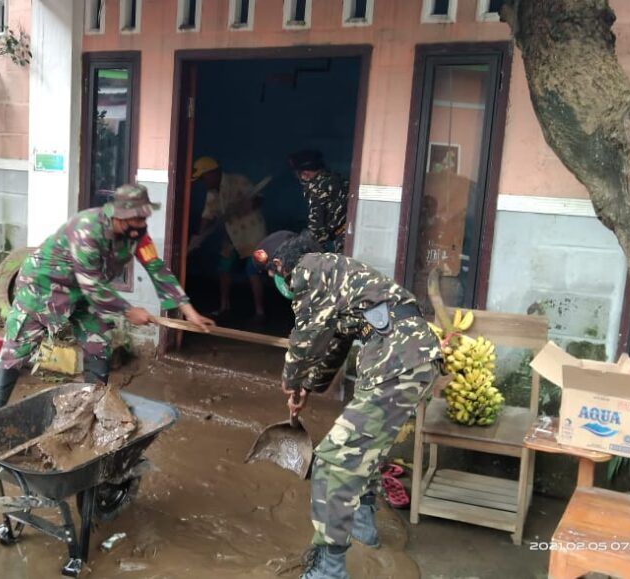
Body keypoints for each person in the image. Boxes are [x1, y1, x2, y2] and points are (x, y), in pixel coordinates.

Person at [252, 230, 442, 579]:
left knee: (331, 461)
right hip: (406, 360)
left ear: (280, 264)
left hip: (397, 363)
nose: (278, 283)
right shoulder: (335, 274)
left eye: (272, 275)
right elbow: (335, 342)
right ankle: (362, 525)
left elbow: (306, 336)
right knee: (360, 450)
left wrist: (290, 380)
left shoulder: (307, 270)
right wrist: (309, 386)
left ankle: (329, 566)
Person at [0, 183, 214, 411]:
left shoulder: (137, 236)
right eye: (137, 219)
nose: (142, 225)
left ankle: (92, 406)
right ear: (120, 216)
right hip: (45, 286)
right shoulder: (87, 228)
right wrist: (129, 311)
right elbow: (93, 287)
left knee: (99, 339)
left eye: (144, 218)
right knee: (18, 348)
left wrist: (189, 312)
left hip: (85, 291)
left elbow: (157, 268)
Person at [189, 156, 269, 322]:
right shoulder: (212, 193)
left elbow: (259, 199)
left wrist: (245, 206)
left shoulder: (237, 181)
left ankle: (260, 312)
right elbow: (207, 215)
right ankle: (224, 307)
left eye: (203, 178)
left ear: (211, 173)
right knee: (224, 268)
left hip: (251, 234)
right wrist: (198, 236)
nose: (203, 182)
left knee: (252, 271)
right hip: (231, 236)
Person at [288, 150, 350, 252]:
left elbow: (317, 229)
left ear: (305, 174)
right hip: (352, 232)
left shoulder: (316, 190)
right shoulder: (335, 178)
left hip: (342, 238)